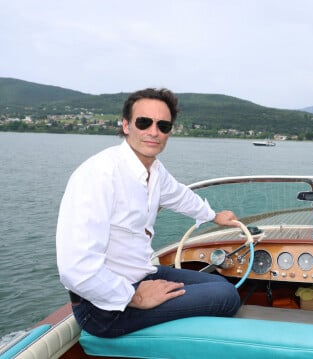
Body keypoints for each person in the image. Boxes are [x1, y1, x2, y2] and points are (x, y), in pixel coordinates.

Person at [56, 88, 241, 338]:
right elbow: (75, 267)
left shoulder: (154, 171)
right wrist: (135, 296)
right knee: (226, 296)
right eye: (144, 122)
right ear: (126, 125)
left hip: (138, 274)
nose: (154, 132)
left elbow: (179, 195)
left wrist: (213, 215)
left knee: (219, 282)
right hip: (103, 308)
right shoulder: (99, 175)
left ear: (169, 132)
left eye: (163, 125)